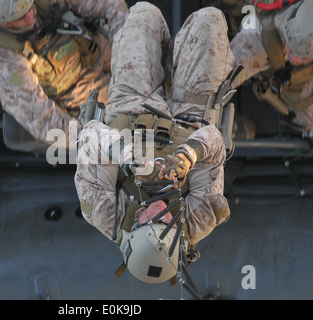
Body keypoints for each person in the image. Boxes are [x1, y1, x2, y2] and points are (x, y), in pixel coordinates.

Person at [74, 2, 235, 284]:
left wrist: (126, 157)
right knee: (210, 21)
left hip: (132, 107)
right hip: (191, 119)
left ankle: (170, 59)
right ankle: (179, 62)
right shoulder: (200, 218)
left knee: (143, 15)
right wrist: (187, 157)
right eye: (166, 221)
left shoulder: (103, 212)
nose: (159, 212)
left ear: (131, 229)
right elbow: (215, 143)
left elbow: (89, 136)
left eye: (149, 219)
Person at [0, 0, 129, 146]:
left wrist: (126, 48)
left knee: (144, 16)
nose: (30, 18)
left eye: (29, 9)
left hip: (94, 46)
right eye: (18, 19)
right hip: (77, 92)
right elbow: (42, 119)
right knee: (132, 123)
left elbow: (110, 4)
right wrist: (93, 138)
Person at [230, 0, 313, 133]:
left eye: (303, 56)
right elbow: (217, 79)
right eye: (293, 50)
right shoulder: (256, 45)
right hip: (256, 43)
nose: (297, 58)